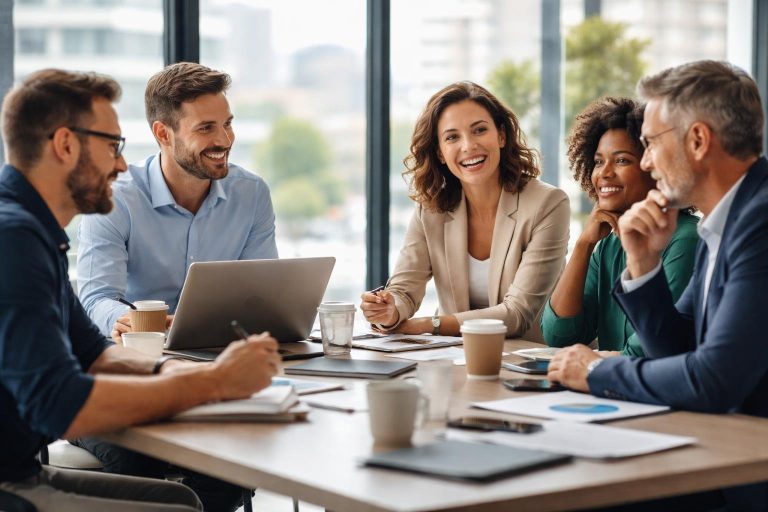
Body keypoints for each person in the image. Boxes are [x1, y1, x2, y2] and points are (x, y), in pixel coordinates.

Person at [0, 69, 280, 512]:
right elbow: (60, 405)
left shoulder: (34, 231)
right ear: (66, 145)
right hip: (9, 486)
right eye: (113, 146)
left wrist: (189, 375)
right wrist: (213, 382)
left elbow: (96, 354)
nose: (121, 164)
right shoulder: (12, 239)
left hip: (21, 472)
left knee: (185, 500)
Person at [548, 60, 768, 511]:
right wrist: (644, 265)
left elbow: (713, 378)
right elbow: (679, 349)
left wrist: (595, 372)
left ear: (698, 140)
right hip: (726, 452)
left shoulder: (760, 221)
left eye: (648, 145)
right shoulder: (723, 222)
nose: (647, 161)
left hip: (748, 473)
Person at [76, 62, 277, 343]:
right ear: (163, 134)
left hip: (222, 349)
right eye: (206, 128)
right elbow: (97, 298)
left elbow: (263, 293)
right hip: (143, 354)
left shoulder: (251, 193)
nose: (224, 139)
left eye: (227, 124)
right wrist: (122, 321)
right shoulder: (115, 199)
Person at [360, 81, 569, 339]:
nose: (468, 146)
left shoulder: (548, 204)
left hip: (528, 362)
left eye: (479, 130)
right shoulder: (431, 209)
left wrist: (429, 324)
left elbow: (517, 314)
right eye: (452, 137)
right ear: (440, 152)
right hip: (455, 359)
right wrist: (389, 311)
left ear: (501, 136)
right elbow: (404, 290)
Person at [541, 97, 698, 356]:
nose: (604, 173)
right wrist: (584, 244)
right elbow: (559, 335)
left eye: (622, 160)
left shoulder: (687, 240)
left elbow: (649, 349)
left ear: (655, 167)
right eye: (599, 161)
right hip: (613, 389)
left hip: (651, 393)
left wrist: (593, 363)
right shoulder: (608, 245)